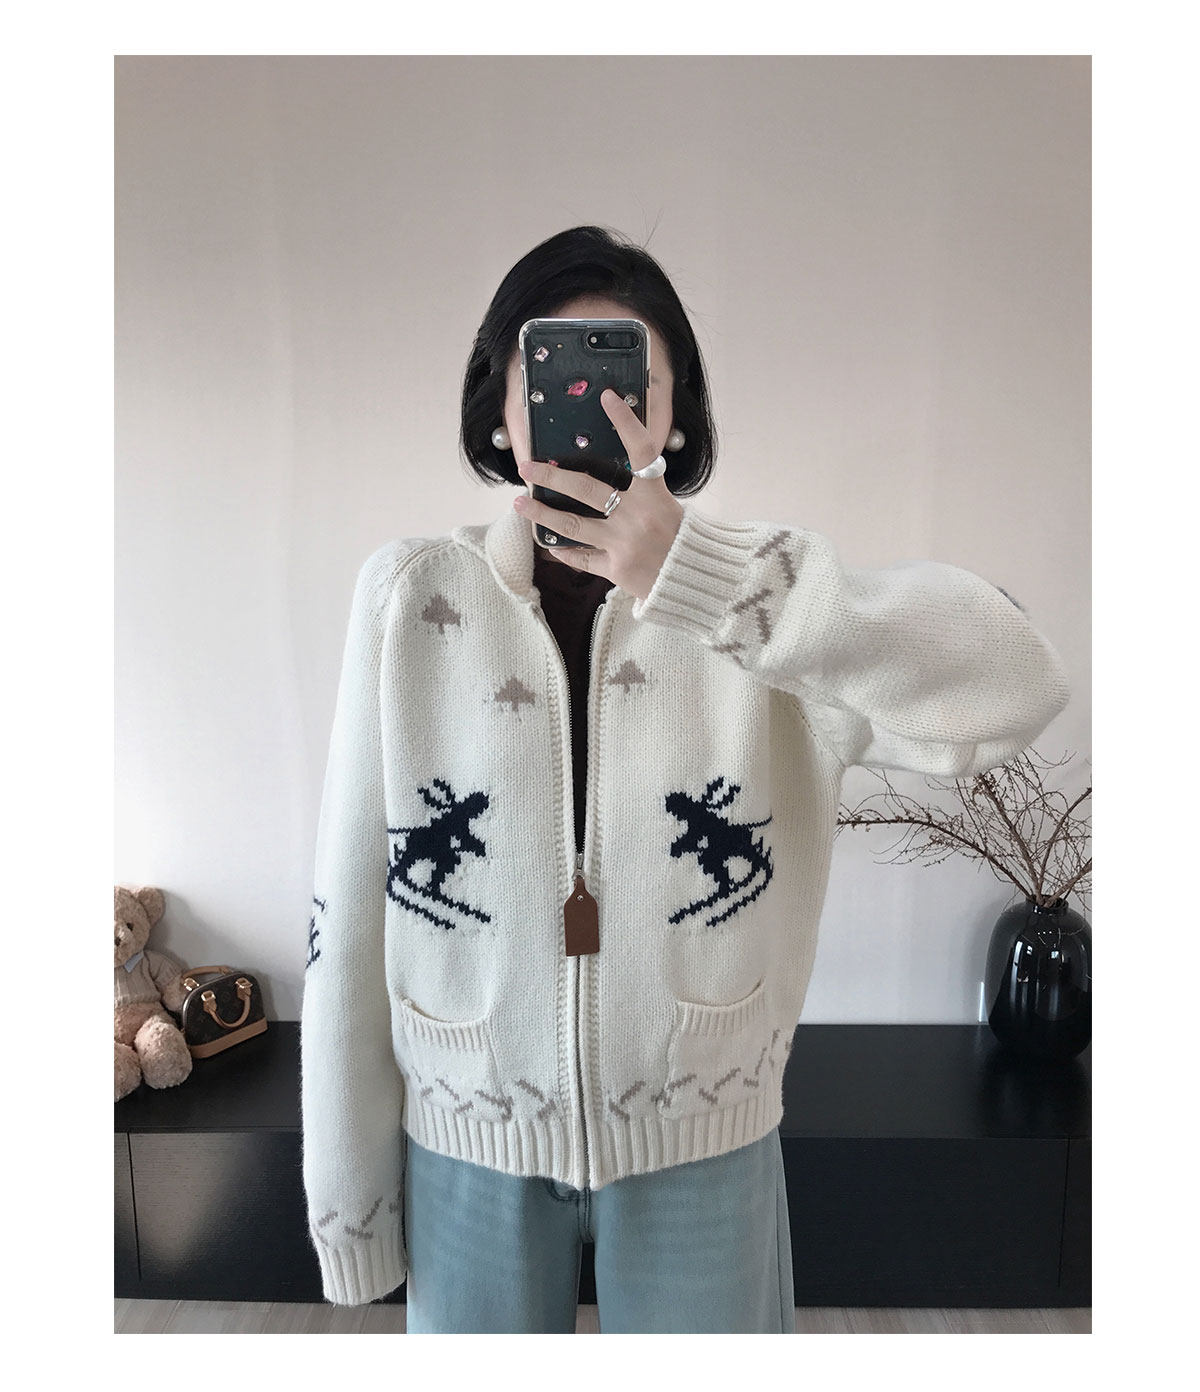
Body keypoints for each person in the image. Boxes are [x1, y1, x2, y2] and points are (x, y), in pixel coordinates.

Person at [300, 225, 1071, 1334]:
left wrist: (703, 580)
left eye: (625, 379)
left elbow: (1017, 681)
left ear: (672, 416)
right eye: (549, 373)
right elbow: (346, 905)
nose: (588, 406)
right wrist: (350, 1205)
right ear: (502, 408)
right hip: (465, 1134)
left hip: (704, 1141)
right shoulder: (410, 599)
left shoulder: (764, 605)